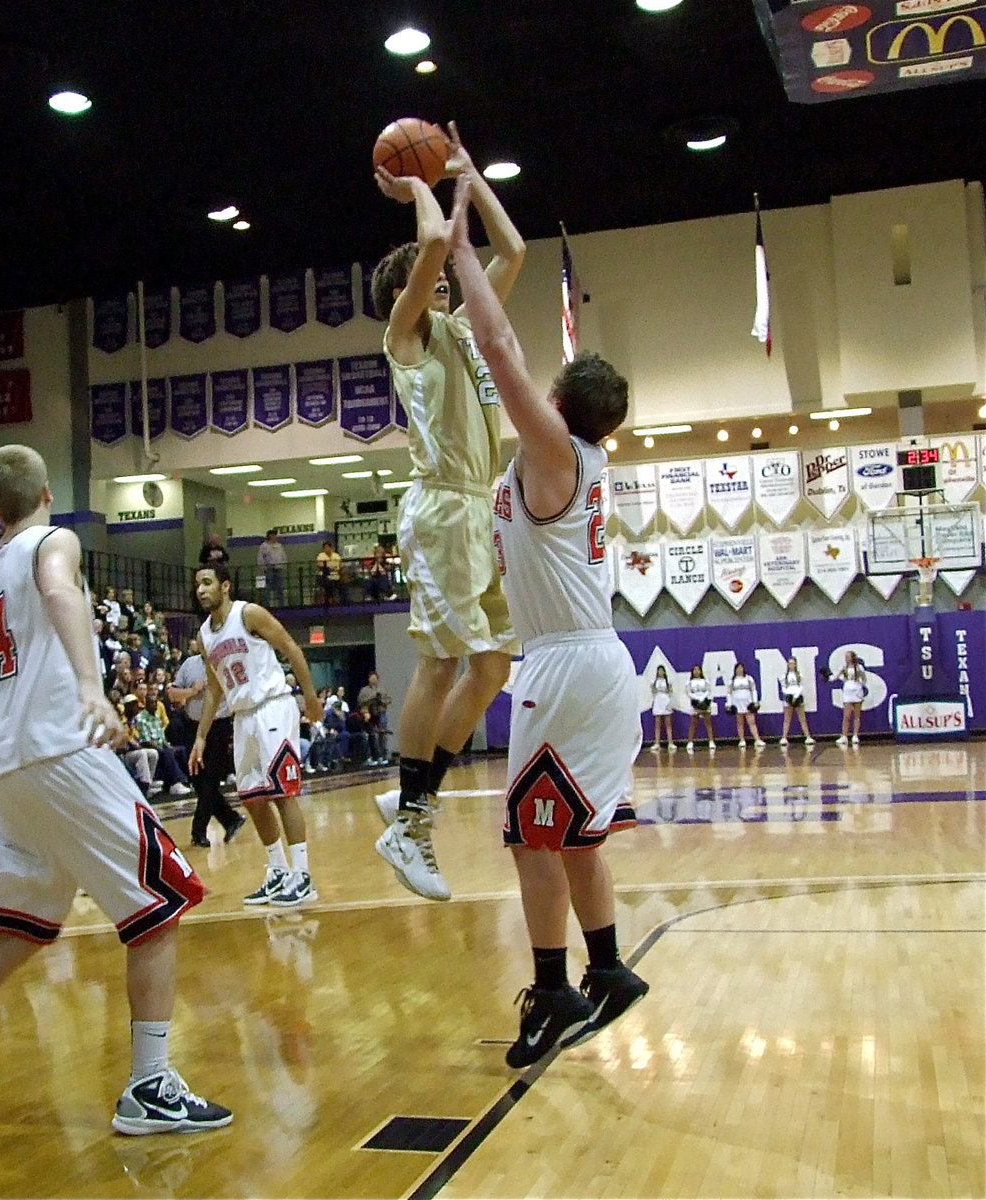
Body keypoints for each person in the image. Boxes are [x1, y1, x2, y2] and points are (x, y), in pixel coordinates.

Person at [0, 444, 230, 1134]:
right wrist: (90, 691)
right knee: (162, 901)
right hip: (63, 750)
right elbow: (62, 591)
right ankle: (150, 1086)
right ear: (45, 498)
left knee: (21, 928)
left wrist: (13, 694)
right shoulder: (54, 540)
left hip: (7, 766)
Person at [448, 169, 649, 1068]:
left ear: (563, 408)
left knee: (530, 834)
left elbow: (495, 345)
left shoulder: (554, 452)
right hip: (595, 662)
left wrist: (455, 248)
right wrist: (473, 187)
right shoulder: (583, 463)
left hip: (566, 664)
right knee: (574, 833)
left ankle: (553, 987)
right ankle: (607, 968)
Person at [370, 123, 524, 901]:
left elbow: (514, 251)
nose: (441, 280)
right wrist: (420, 185)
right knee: (439, 662)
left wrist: (469, 172)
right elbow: (434, 238)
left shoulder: (462, 331)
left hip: (477, 510)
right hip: (438, 508)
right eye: (426, 278)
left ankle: (411, 798)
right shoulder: (407, 339)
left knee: (493, 665)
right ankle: (409, 821)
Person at [191, 564, 323, 907]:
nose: (201, 590)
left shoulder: (248, 613)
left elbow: (291, 647)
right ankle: (278, 870)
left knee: (282, 793)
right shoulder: (205, 635)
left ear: (225, 586)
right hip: (242, 716)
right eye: (197, 585)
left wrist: (309, 697)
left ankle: (303, 876)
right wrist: (201, 736)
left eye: (207, 583)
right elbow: (214, 689)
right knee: (251, 798)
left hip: (272, 706)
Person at [168, 636, 244, 847]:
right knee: (198, 781)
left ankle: (198, 831)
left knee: (210, 779)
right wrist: (192, 691)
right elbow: (172, 694)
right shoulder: (189, 664)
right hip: (192, 727)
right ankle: (231, 819)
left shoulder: (224, 663)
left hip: (218, 726)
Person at [831, 651, 866, 747]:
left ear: (852, 657)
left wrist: (860, 685)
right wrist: (827, 677)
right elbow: (834, 677)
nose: (846, 658)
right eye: (845, 656)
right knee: (846, 715)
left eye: (848, 656)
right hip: (847, 693)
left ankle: (855, 735)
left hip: (857, 692)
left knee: (857, 715)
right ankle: (844, 736)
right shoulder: (843, 667)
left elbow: (864, 679)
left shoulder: (859, 668)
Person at [727, 663, 765, 749]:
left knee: (752, 722)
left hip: (748, 703)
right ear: (735, 669)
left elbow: (753, 690)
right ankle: (742, 740)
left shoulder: (749, 678)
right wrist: (729, 704)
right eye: (738, 668)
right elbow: (729, 693)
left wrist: (755, 701)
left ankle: (757, 739)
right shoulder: (732, 681)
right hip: (737, 703)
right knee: (740, 722)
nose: (740, 670)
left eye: (741, 668)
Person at [779, 658, 815, 747]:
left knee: (802, 718)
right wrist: (789, 696)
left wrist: (796, 696)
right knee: (787, 718)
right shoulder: (784, 676)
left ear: (795, 664)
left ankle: (807, 736)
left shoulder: (799, 675)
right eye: (790, 663)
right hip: (788, 698)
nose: (791, 665)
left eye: (793, 663)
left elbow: (801, 686)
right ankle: (784, 737)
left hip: (798, 697)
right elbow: (783, 687)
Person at [685, 664, 716, 751]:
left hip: (704, 703)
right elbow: (688, 692)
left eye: (698, 670)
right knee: (693, 723)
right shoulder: (689, 682)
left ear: (701, 671)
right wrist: (696, 699)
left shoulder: (705, 681)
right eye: (694, 670)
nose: (696, 672)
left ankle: (711, 741)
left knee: (708, 722)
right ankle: (690, 742)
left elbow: (708, 690)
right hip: (695, 703)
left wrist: (703, 699)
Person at [257, 529, 288, 609]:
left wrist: (282, 564)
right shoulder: (264, 546)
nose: (275, 537)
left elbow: (283, 556)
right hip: (269, 570)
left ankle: (281, 605)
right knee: (267, 588)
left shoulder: (279, 546)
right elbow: (260, 558)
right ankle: (267, 606)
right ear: (270, 536)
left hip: (279, 569)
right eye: (273, 535)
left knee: (280, 587)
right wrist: (264, 567)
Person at [649, 665, 676, 752]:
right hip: (658, 701)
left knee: (668, 723)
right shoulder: (654, 681)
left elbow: (670, 691)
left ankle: (670, 742)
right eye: (659, 671)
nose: (660, 672)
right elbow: (653, 691)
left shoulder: (668, 681)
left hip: (666, 701)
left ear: (664, 672)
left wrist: (669, 701)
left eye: (661, 670)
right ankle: (657, 743)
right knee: (657, 723)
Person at [315, 541, 344, 606]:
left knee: (340, 584)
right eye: (325, 547)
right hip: (324, 576)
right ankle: (329, 599)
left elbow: (339, 565)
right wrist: (329, 565)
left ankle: (336, 600)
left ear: (331, 548)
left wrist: (330, 565)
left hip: (335, 575)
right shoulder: (321, 555)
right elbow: (320, 564)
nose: (326, 549)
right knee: (327, 582)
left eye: (328, 547)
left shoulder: (336, 555)